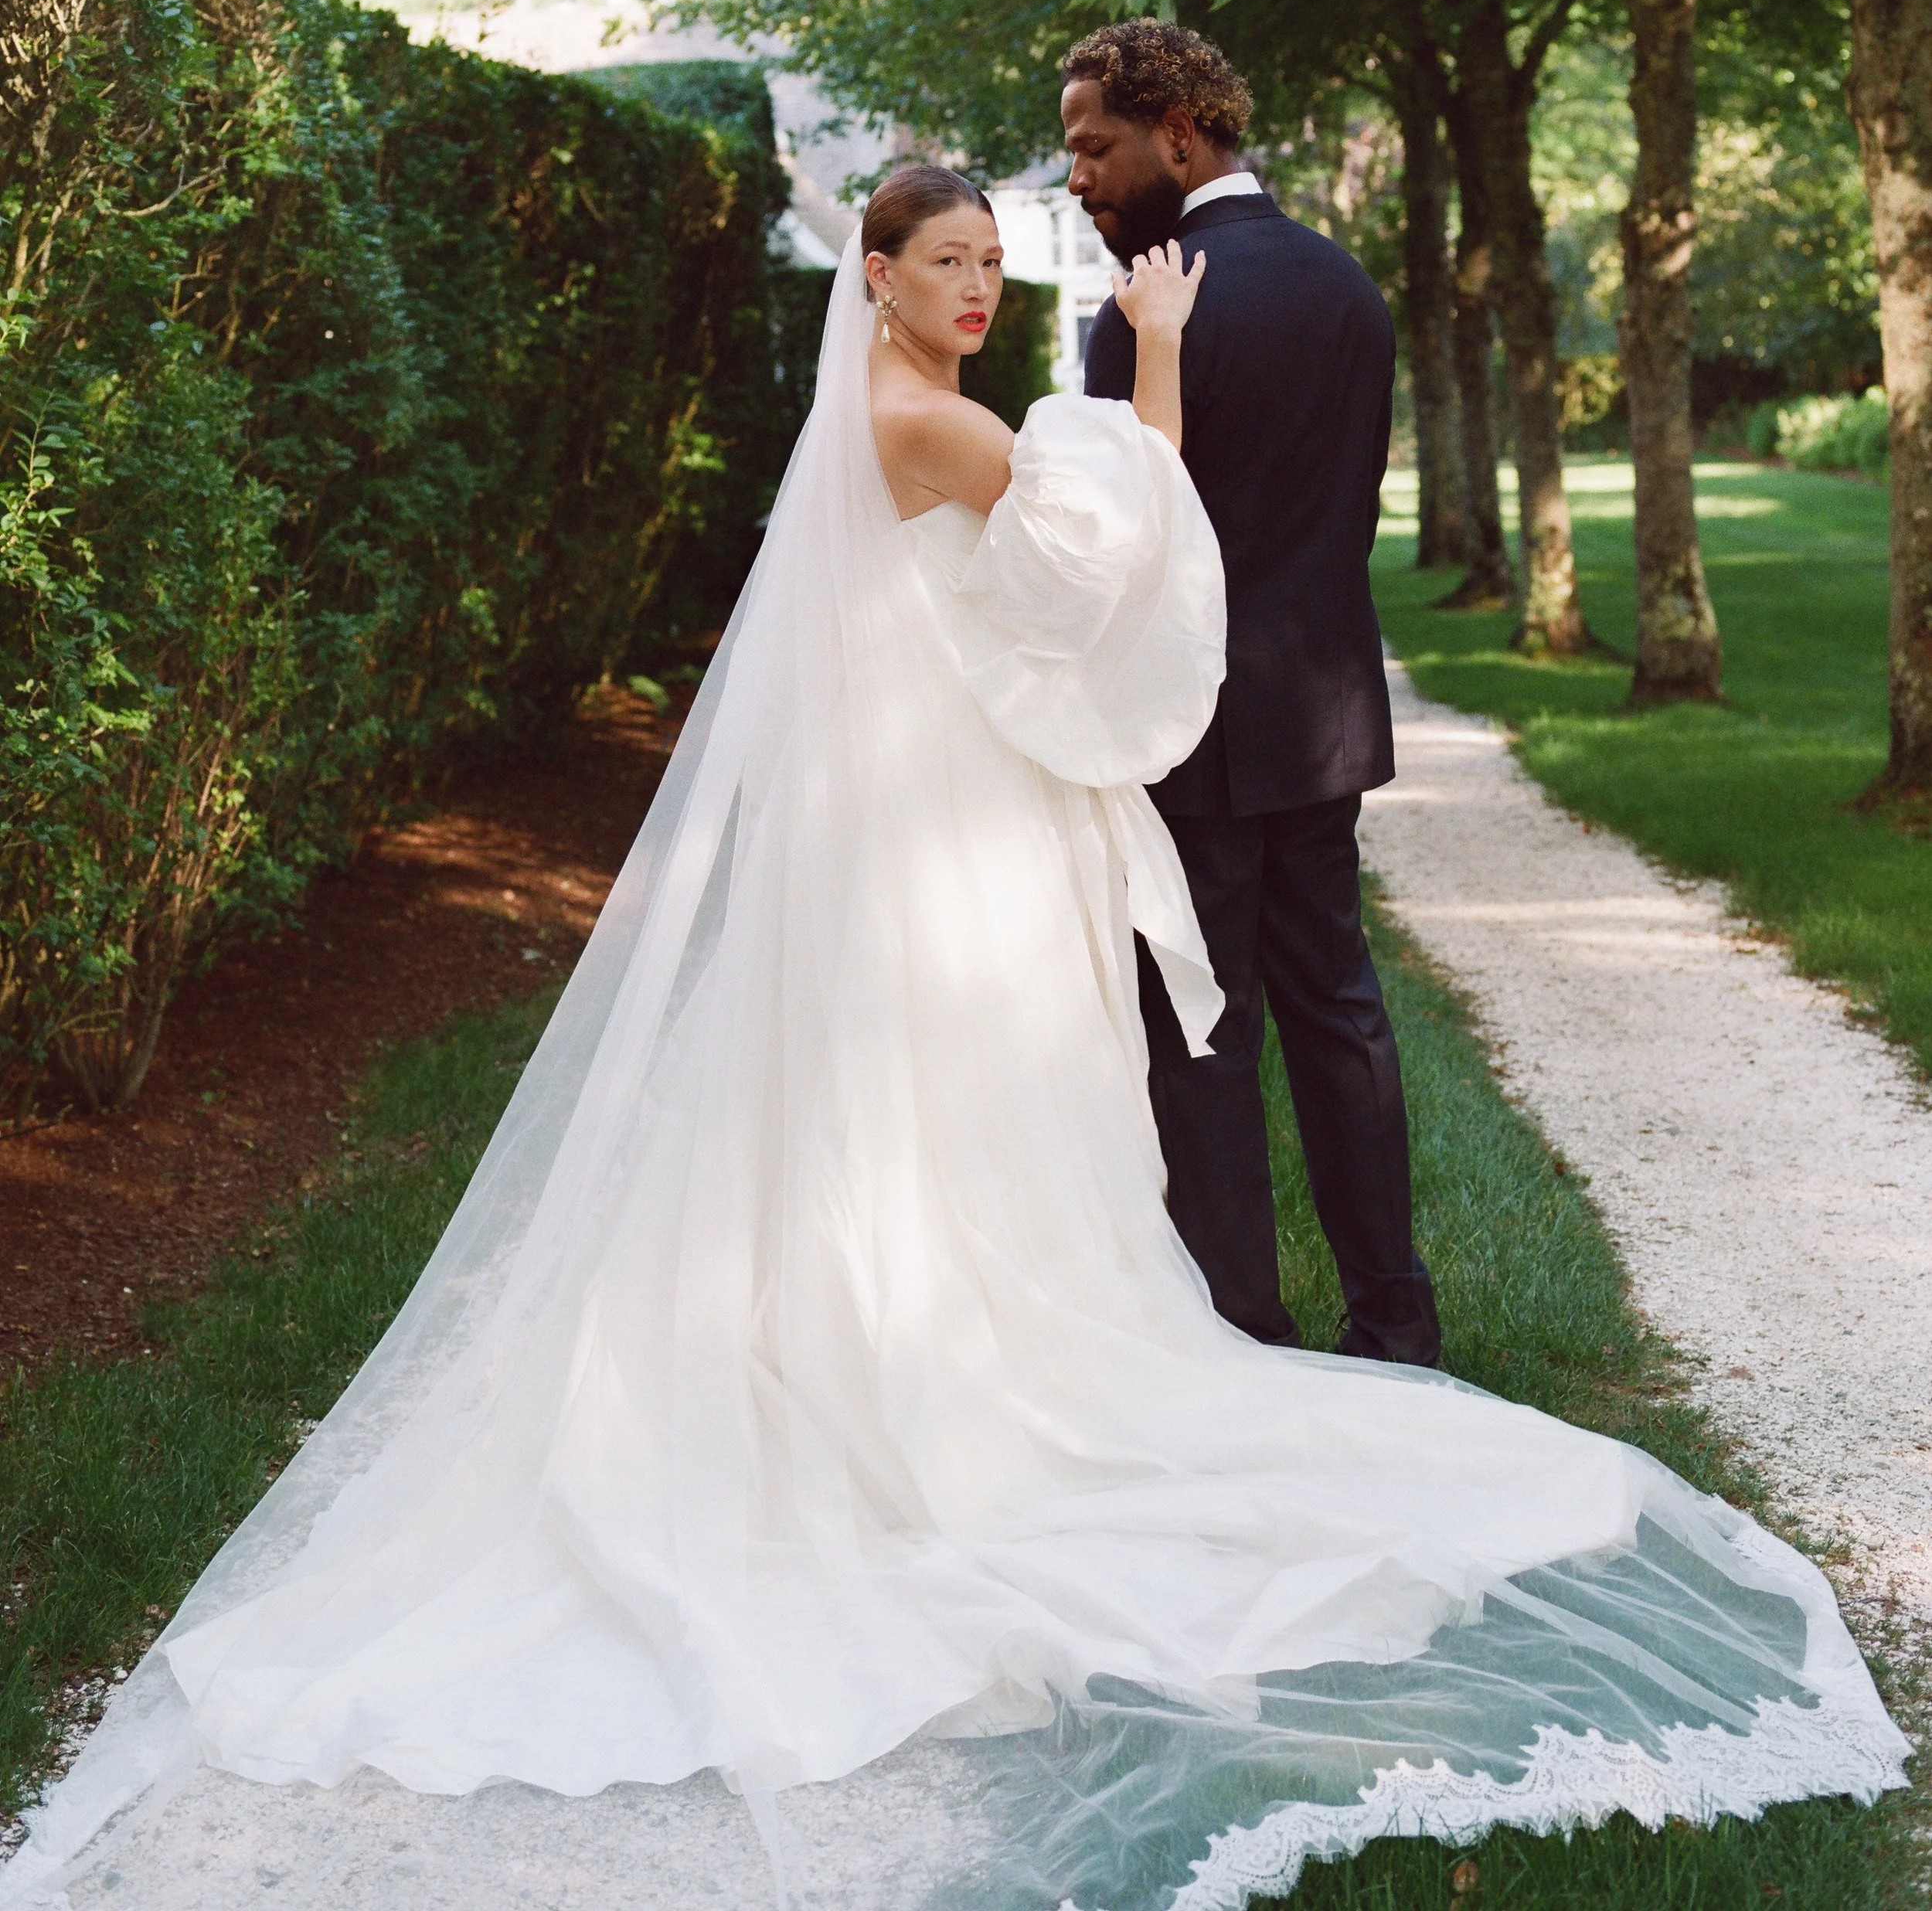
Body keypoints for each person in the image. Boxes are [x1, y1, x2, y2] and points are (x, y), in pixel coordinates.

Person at [4, 168, 1903, 1911]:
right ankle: (927, 1385)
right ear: (879, 281)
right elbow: (1126, 549)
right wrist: (1151, 365)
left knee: (903, 1102)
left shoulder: (867, 424)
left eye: (996, 266)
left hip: (900, 808)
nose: (980, 291)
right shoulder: (933, 421)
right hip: (949, 825)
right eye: (948, 266)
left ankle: (869, 1334)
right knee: (983, 1098)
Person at [1073, 18, 1440, 1365]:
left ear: (1179, 132)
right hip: (1324, 722)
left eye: (1094, 147)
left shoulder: (1144, 320)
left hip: (1191, 739)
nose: (1078, 180)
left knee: (1202, 1039)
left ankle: (1241, 1337)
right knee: (1339, 1015)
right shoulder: (1350, 289)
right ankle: (1396, 1324)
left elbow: (1125, 552)